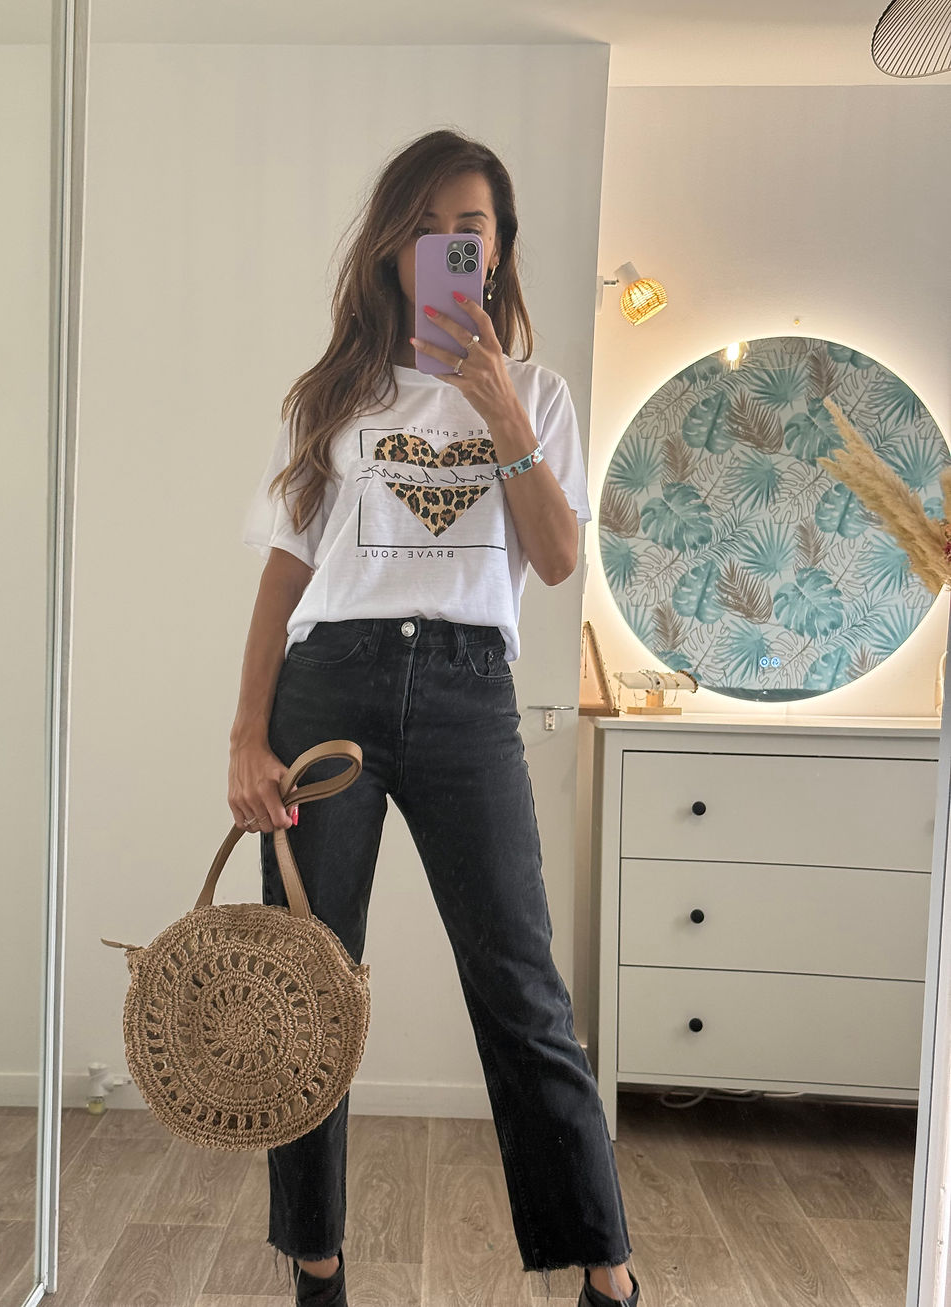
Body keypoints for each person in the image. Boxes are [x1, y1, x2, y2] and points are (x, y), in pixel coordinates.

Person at [227, 128, 640, 1307]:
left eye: (472, 228)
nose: (450, 244)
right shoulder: (333, 395)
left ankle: (607, 1271)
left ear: (498, 251)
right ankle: (317, 1265)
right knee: (306, 986)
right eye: (426, 227)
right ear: (392, 246)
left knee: (520, 984)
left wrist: (499, 410)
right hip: (330, 688)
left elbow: (553, 560)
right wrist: (244, 735)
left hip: (467, 694)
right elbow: (283, 576)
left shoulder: (538, 395)